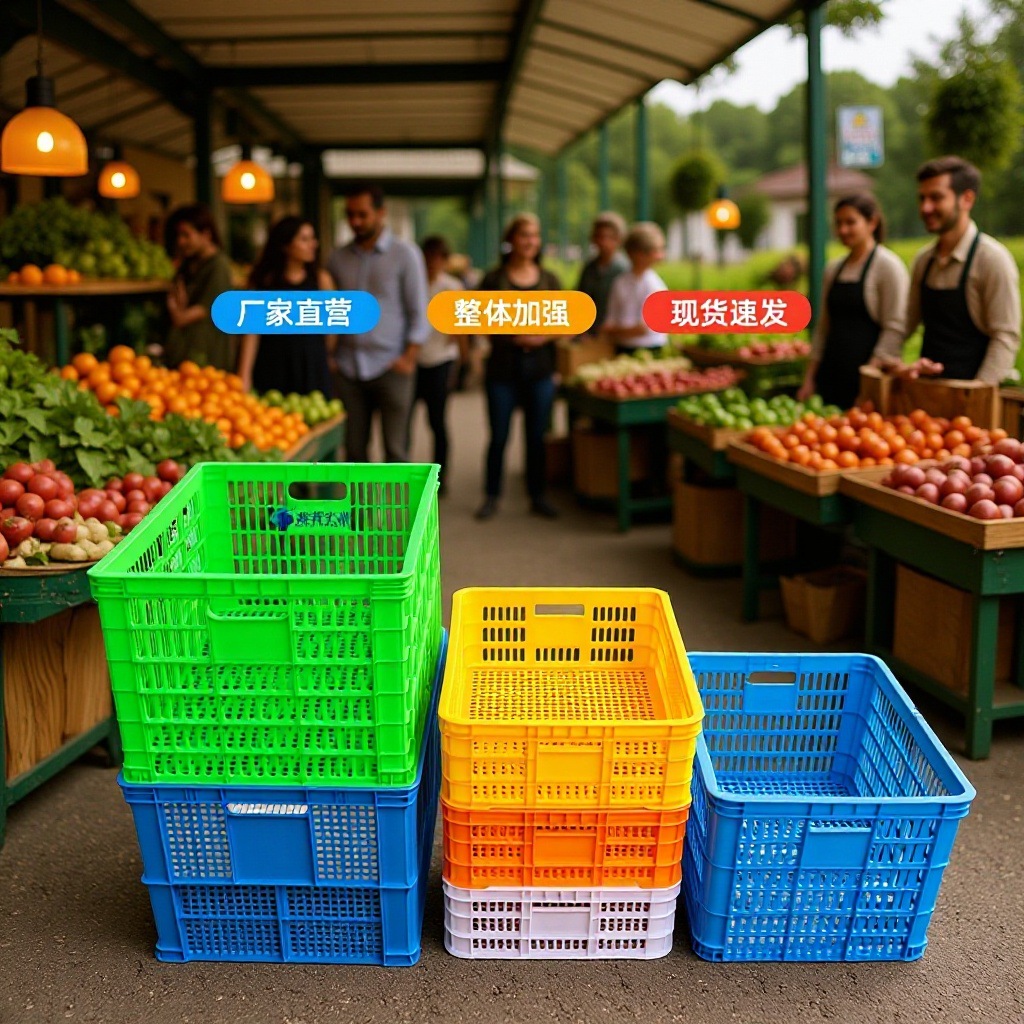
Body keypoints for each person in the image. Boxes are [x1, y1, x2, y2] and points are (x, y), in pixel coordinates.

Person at [875, 155, 1021, 383]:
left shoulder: (992, 260)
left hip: (974, 397)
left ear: (967, 199)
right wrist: (880, 361)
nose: (926, 207)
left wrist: (977, 393)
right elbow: (904, 323)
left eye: (936, 198)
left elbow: (1005, 336)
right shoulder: (924, 260)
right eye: (922, 198)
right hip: (928, 397)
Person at [326, 182, 430, 463]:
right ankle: (362, 510)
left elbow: (419, 312)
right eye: (350, 215)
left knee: (396, 451)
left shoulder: (406, 255)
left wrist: (409, 358)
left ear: (380, 213)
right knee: (354, 453)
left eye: (362, 214)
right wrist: (331, 357)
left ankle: (396, 510)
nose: (355, 222)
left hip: (391, 366)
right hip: (348, 369)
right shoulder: (337, 258)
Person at [475, 213, 562, 521]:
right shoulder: (493, 279)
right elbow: (475, 318)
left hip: (540, 369)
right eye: (524, 235)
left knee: (536, 437)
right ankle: (491, 495)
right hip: (502, 370)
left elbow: (568, 322)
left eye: (535, 235)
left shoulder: (550, 280)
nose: (530, 241)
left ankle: (538, 496)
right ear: (511, 239)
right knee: (498, 437)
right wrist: (508, 331)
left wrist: (542, 336)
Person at [798, 193, 909, 408]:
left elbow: (895, 328)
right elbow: (823, 327)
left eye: (851, 222)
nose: (842, 230)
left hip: (868, 383)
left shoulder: (888, 267)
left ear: (872, 222)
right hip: (829, 379)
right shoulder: (833, 269)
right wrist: (809, 379)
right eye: (838, 223)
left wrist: (869, 381)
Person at [236, 216, 334, 397]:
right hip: (273, 364)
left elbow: (332, 330)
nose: (313, 244)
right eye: (304, 239)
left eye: (312, 239)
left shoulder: (321, 280)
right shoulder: (264, 282)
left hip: (311, 365)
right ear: (285, 245)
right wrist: (244, 374)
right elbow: (251, 333)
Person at [411, 235, 463, 493]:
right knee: (405, 423)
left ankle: (441, 478)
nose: (433, 262)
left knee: (438, 422)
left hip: (441, 359)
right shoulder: (414, 284)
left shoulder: (452, 287)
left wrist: (462, 363)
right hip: (414, 360)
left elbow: (462, 328)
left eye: (438, 257)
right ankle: (406, 477)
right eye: (429, 257)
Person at [164, 204, 235, 371]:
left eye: (186, 235)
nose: (180, 241)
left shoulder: (218, 267)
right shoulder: (189, 264)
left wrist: (176, 308)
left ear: (206, 235)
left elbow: (183, 316)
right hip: (187, 357)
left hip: (207, 360)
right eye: (178, 235)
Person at [600, 222, 669, 355]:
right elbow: (610, 321)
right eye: (656, 251)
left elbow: (643, 329)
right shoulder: (620, 282)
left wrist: (615, 331)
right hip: (621, 348)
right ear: (638, 254)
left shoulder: (655, 285)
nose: (661, 256)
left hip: (650, 348)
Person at [576, 212, 629, 334]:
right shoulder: (589, 268)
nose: (603, 242)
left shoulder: (624, 269)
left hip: (615, 333)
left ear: (618, 240)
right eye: (599, 237)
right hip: (590, 333)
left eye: (609, 237)